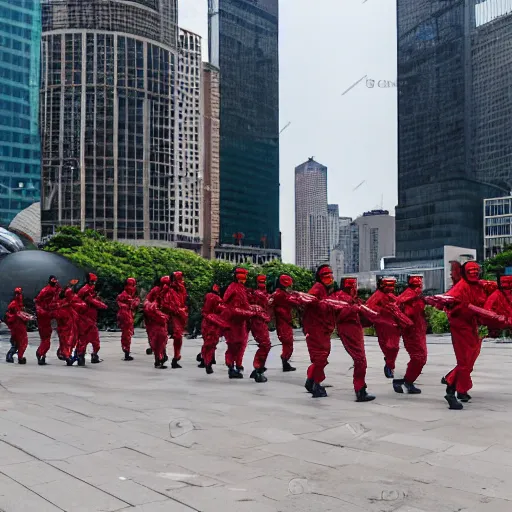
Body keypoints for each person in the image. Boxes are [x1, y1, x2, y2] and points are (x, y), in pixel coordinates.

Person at [431, 261, 511, 409]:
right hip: (461, 328)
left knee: (471, 359)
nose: (474, 273)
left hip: (474, 326)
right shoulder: (460, 287)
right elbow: (447, 300)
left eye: (476, 270)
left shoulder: (480, 286)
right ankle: (450, 390)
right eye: (470, 270)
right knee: (465, 361)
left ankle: (461, 389)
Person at [302, 264, 346, 398]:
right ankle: (315, 383)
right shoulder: (318, 288)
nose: (329, 278)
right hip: (316, 330)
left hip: (322, 329)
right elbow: (307, 301)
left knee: (322, 356)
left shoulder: (326, 290)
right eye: (325, 276)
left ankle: (311, 381)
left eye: (330, 275)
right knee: (320, 357)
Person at [332, 277, 375, 402]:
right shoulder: (339, 297)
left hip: (355, 330)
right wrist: (354, 308)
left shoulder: (353, 298)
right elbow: (339, 316)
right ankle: (360, 390)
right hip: (348, 330)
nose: (353, 286)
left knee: (361, 360)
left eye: (354, 284)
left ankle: (361, 388)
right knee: (360, 360)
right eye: (350, 284)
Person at [365, 277, 411, 379]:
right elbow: (368, 308)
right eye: (388, 285)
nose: (391, 288)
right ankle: (390, 365)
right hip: (383, 326)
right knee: (387, 347)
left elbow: (398, 304)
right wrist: (383, 312)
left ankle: (390, 364)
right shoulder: (377, 296)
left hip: (393, 326)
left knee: (394, 347)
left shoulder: (390, 296)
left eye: (392, 285)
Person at [393, 275, 428, 394]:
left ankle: (406, 381)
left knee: (421, 358)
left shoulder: (417, 296)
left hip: (419, 331)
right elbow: (400, 311)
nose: (420, 285)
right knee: (419, 357)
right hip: (411, 333)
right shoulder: (407, 296)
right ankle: (405, 381)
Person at [222, 268, 254, 379]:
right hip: (233, 320)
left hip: (241, 320)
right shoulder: (234, 288)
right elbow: (228, 304)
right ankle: (232, 366)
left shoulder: (240, 288)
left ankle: (237, 365)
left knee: (241, 343)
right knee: (233, 344)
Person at [271, 274, 308, 372]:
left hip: (285, 321)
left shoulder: (281, 294)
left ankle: (285, 361)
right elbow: (291, 302)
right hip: (282, 322)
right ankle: (285, 361)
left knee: (288, 343)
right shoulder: (280, 295)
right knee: (288, 342)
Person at [76, 273, 108, 366]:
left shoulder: (88, 289)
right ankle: (86, 357)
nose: (94, 283)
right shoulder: (86, 290)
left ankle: (84, 357)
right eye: (93, 281)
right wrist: (103, 305)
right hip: (85, 319)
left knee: (88, 339)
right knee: (89, 339)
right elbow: (92, 301)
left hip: (88, 319)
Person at [198, 284, 229, 374]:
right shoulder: (216, 299)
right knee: (211, 343)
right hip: (213, 323)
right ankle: (208, 361)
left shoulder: (208, 296)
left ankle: (206, 359)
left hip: (206, 323)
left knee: (207, 343)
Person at [247, 275, 272, 383]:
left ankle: (258, 367)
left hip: (261, 320)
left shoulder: (262, 293)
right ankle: (258, 368)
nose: (262, 283)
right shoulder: (257, 294)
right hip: (258, 321)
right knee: (265, 344)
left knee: (265, 344)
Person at [52, 287, 87, 366]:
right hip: (69, 325)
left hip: (67, 324)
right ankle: (68, 355)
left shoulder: (64, 303)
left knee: (67, 340)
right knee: (69, 340)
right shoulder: (66, 304)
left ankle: (66, 354)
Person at [34, 275, 60, 365]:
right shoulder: (46, 291)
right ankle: (40, 354)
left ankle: (42, 355)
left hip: (47, 316)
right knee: (46, 339)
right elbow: (38, 301)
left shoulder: (53, 290)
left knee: (45, 338)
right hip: (44, 317)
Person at [166, 271, 189, 369]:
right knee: (177, 335)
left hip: (181, 315)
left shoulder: (182, 289)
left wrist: (184, 309)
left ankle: (176, 357)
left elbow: (184, 301)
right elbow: (167, 304)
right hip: (173, 315)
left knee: (179, 337)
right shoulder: (169, 290)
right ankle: (168, 357)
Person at [5, 288, 33, 364]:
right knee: (22, 342)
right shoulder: (15, 304)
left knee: (16, 343)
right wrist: (29, 318)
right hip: (18, 326)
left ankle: (10, 356)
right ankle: (19, 357)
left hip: (15, 326)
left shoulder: (16, 304)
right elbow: (19, 314)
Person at [144, 276, 170, 355]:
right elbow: (148, 301)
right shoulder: (155, 290)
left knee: (162, 334)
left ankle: (161, 351)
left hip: (163, 316)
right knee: (153, 333)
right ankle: (156, 349)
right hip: (153, 315)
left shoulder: (170, 292)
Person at [143, 290, 169, 369]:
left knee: (160, 343)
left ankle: (160, 358)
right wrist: (165, 317)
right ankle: (159, 359)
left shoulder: (152, 304)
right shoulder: (153, 305)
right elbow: (158, 316)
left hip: (156, 327)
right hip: (157, 326)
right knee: (159, 343)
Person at [117, 278, 140, 361]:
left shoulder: (128, 295)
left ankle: (126, 351)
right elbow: (132, 305)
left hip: (127, 316)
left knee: (127, 334)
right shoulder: (125, 296)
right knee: (127, 335)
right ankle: (126, 352)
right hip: (126, 316)